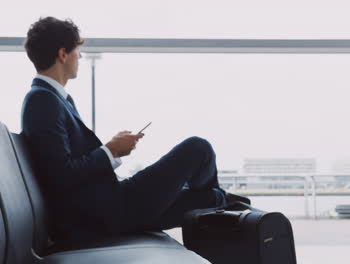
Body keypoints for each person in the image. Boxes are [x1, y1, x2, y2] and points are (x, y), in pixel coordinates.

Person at [21, 17, 232, 244]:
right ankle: (224, 202)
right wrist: (110, 150)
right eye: (77, 51)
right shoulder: (43, 100)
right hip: (107, 212)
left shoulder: (51, 98)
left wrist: (112, 149)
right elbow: (61, 175)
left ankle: (221, 199)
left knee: (211, 199)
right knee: (198, 148)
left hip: (106, 209)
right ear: (63, 54)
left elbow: (65, 166)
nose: (80, 58)